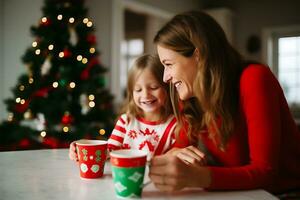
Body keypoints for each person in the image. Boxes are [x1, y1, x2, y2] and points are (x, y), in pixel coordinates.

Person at [148, 10, 300, 195]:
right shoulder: (190, 95)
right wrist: (173, 155)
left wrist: (198, 176)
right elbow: (181, 149)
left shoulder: (254, 78)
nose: (165, 77)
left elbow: (265, 173)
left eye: (169, 64)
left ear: (198, 55)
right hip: (237, 194)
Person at [69, 54, 188, 161]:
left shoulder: (175, 125)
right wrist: (80, 149)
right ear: (131, 93)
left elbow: (177, 161)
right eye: (138, 90)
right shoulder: (126, 121)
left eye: (153, 87)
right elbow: (108, 152)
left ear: (166, 88)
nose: (145, 95)